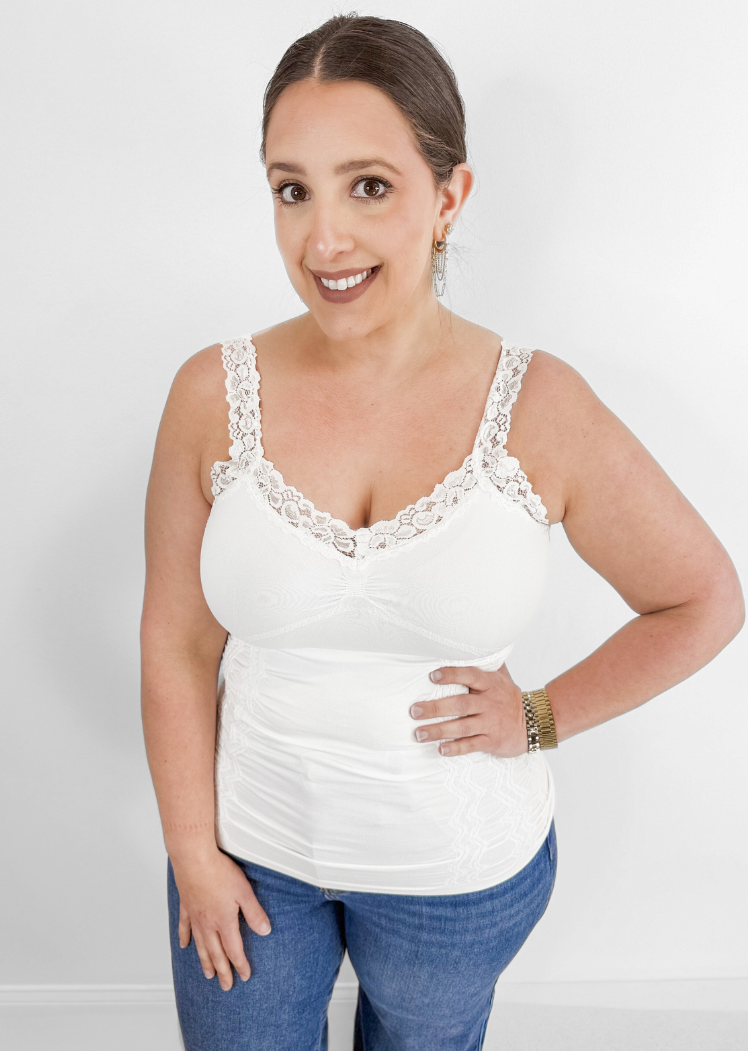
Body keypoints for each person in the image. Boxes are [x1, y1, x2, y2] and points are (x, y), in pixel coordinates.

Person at [140, 14, 744, 1051]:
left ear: (448, 198)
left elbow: (702, 599)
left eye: (368, 186)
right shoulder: (211, 391)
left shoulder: (540, 406)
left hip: (456, 884)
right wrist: (193, 851)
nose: (323, 240)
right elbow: (177, 644)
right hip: (247, 851)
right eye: (293, 190)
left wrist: (541, 716)